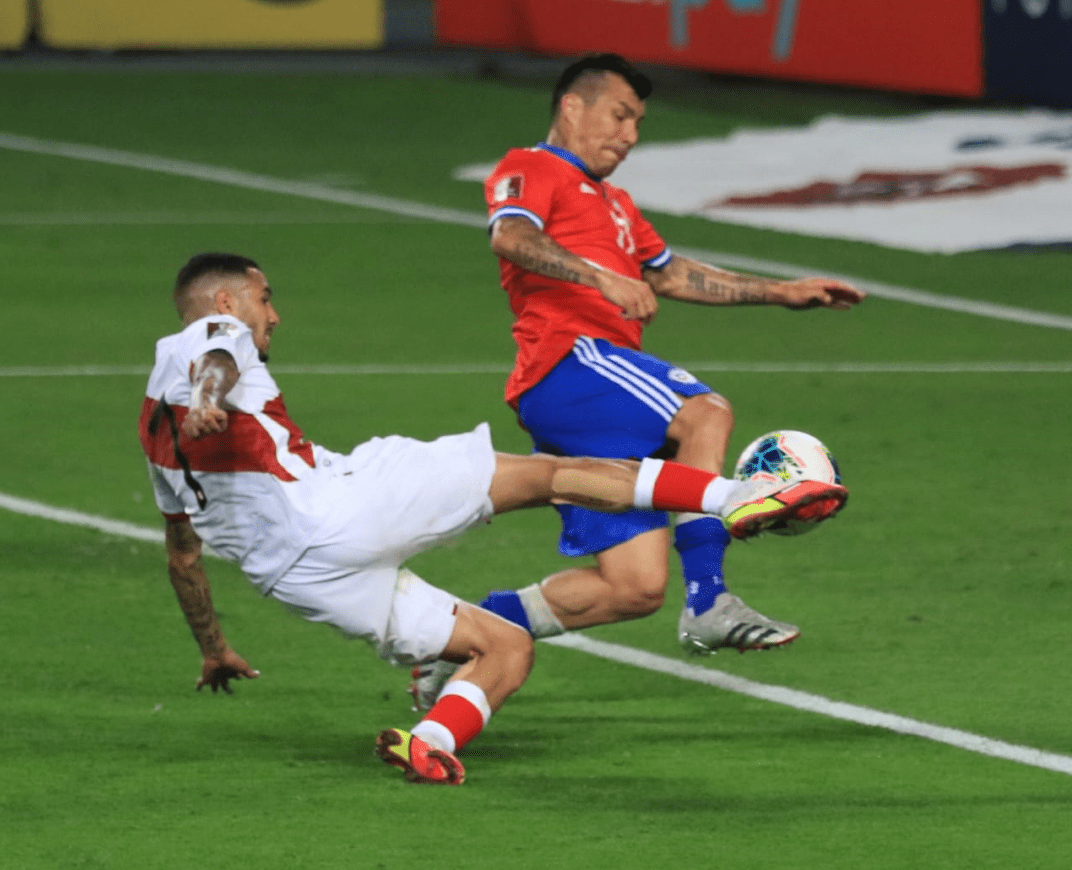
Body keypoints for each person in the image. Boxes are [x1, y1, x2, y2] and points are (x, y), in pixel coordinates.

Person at [138, 252, 846, 786]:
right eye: (266, 299)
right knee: (553, 476)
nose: (273, 315)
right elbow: (215, 358)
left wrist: (212, 646)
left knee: (505, 646)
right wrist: (207, 395)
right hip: (342, 504)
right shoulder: (207, 334)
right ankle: (737, 497)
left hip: (297, 576)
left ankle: (434, 741)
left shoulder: (153, 447)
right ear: (228, 300)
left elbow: (183, 556)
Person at [410, 53, 864, 707]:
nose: (630, 136)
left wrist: (783, 291)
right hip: (571, 363)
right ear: (573, 107)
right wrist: (600, 276)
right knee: (705, 413)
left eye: (638, 124)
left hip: (595, 398)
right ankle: (709, 598)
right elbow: (509, 237)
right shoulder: (531, 167)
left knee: (633, 588)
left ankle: (459, 634)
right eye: (620, 116)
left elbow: (670, 273)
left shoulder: (616, 203)